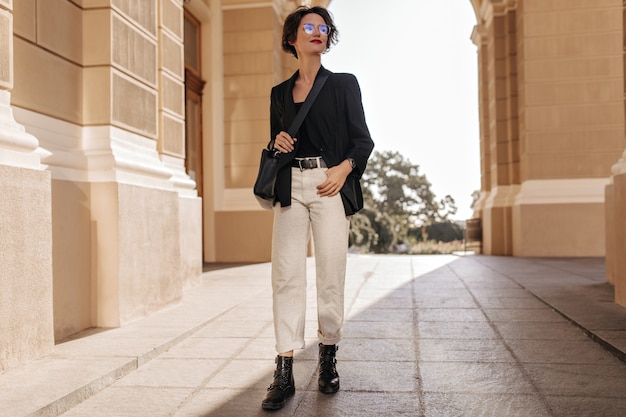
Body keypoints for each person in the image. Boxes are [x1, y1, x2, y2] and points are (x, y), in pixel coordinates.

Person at [261, 5, 374, 411]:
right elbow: (273, 147)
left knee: (330, 274)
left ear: (328, 37)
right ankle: (285, 368)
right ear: (292, 38)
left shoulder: (344, 84)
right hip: (291, 186)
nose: (316, 32)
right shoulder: (279, 94)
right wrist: (280, 143)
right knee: (286, 276)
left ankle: (328, 357)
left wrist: (343, 171)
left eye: (322, 27)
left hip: (329, 185)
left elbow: (363, 142)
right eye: (307, 27)